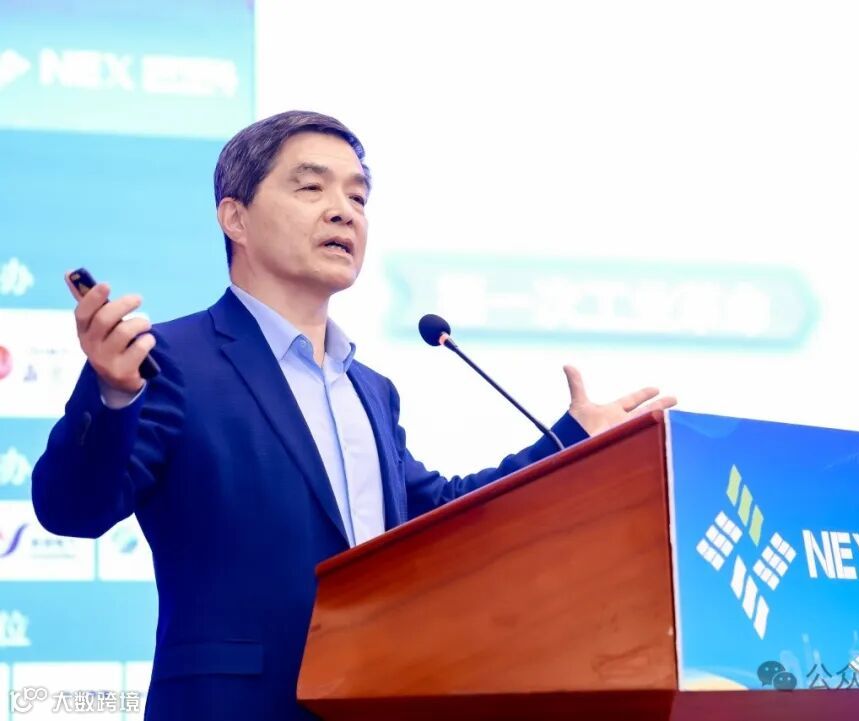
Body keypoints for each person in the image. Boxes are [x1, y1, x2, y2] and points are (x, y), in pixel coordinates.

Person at [31, 110, 676, 721]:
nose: (344, 210)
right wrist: (113, 394)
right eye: (311, 187)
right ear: (235, 217)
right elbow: (72, 510)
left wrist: (573, 443)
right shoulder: (171, 359)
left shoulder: (371, 390)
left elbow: (439, 518)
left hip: (375, 699)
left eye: (358, 197)